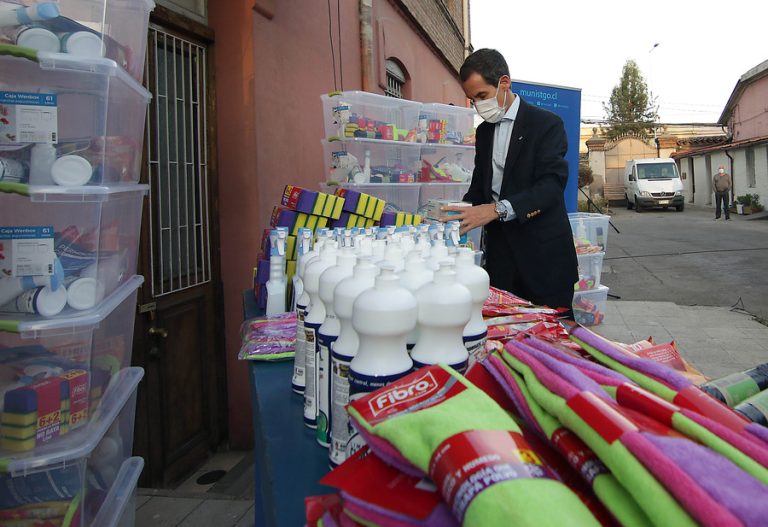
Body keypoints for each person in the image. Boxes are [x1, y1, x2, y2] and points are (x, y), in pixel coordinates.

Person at [441, 48, 578, 313]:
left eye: (482, 96)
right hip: (501, 261)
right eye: (472, 100)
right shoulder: (484, 132)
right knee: (504, 331)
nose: (478, 105)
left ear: (504, 83)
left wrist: (496, 210)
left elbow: (550, 187)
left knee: (552, 333)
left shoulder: (546, 124)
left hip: (544, 259)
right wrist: (458, 213)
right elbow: (480, 186)